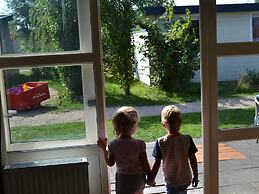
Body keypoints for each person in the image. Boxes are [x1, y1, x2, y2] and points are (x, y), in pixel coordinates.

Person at [97, 106, 151, 194]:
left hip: (123, 178)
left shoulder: (113, 145)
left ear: (116, 126)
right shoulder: (139, 144)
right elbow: (145, 164)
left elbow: (110, 163)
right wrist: (150, 177)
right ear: (133, 124)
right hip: (138, 178)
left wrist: (104, 148)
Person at [147, 105, 198, 194]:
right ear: (180, 122)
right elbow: (193, 159)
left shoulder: (161, 142)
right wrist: (196, 176)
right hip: (185, 179)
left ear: (163, 125)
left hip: (172, 181)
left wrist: (151, 179)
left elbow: (156, 163)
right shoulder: (187, 139)